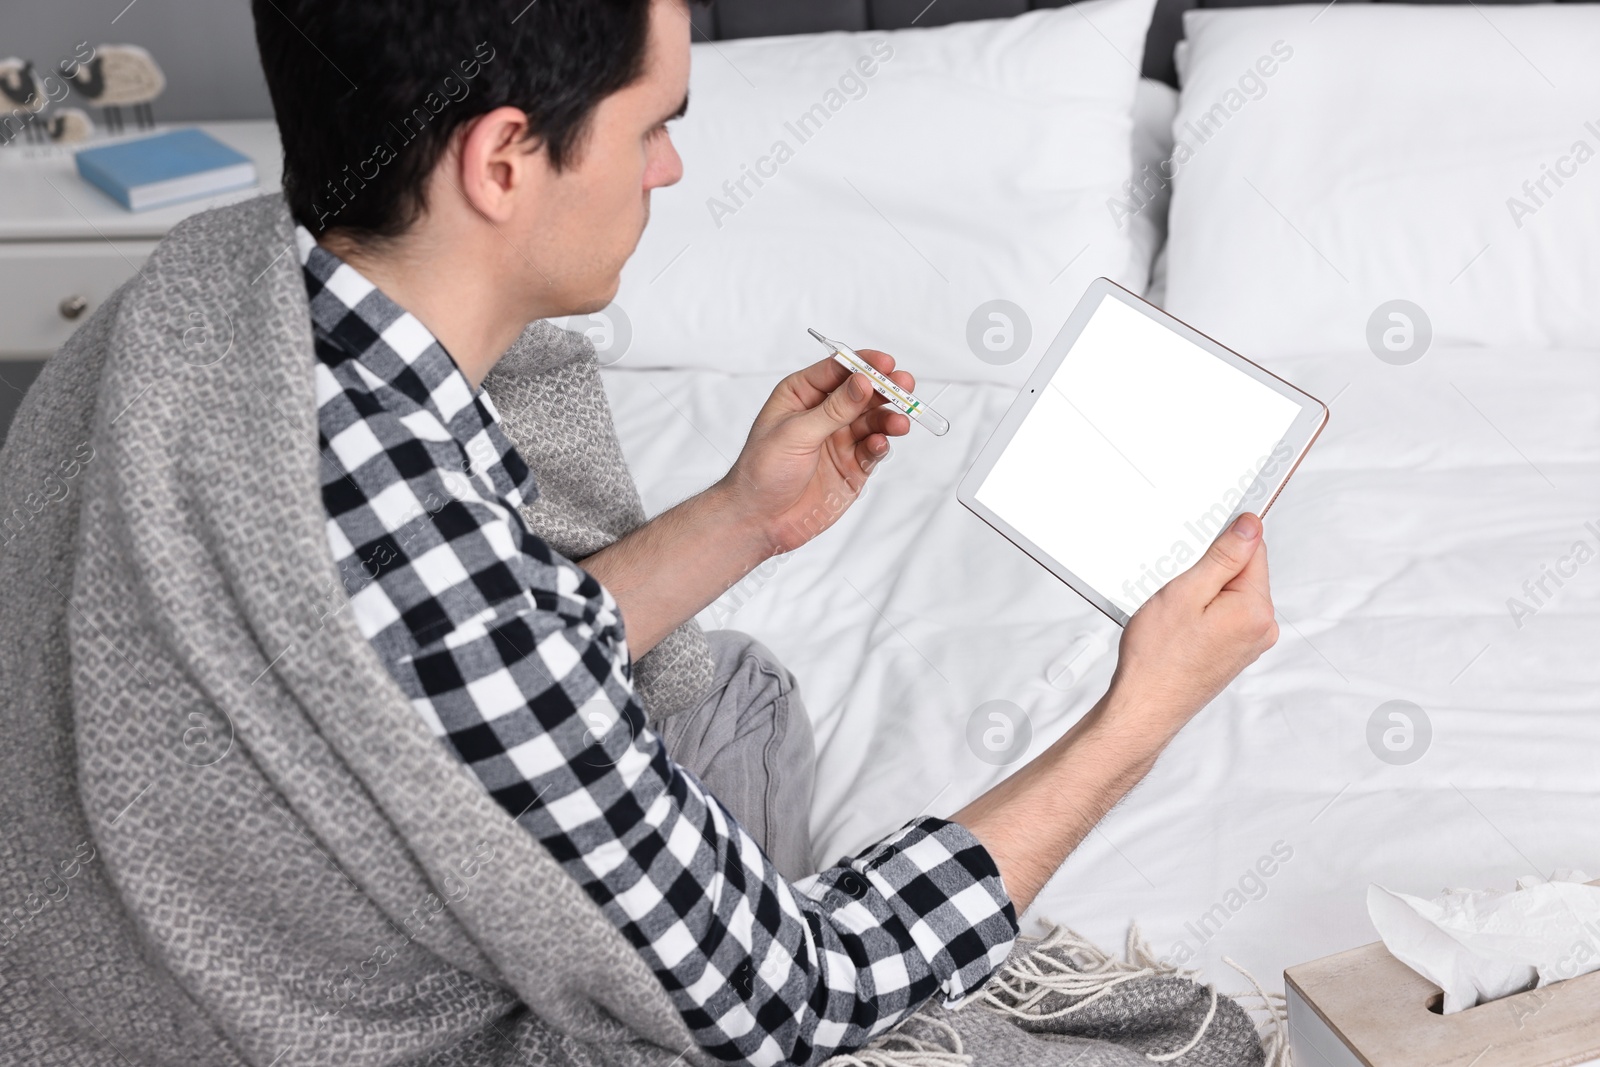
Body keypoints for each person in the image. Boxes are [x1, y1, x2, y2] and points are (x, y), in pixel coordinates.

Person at [5, 1, 1276, 1063]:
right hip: (318, 1018)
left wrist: (740, 518)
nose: (670, 168)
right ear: (503, 159)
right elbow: (795, 996)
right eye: (656, 122)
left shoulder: (203, 293)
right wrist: (1143, 711)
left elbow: (421, 694)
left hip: (124, 928)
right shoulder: (454, 593)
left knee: (740, 696)